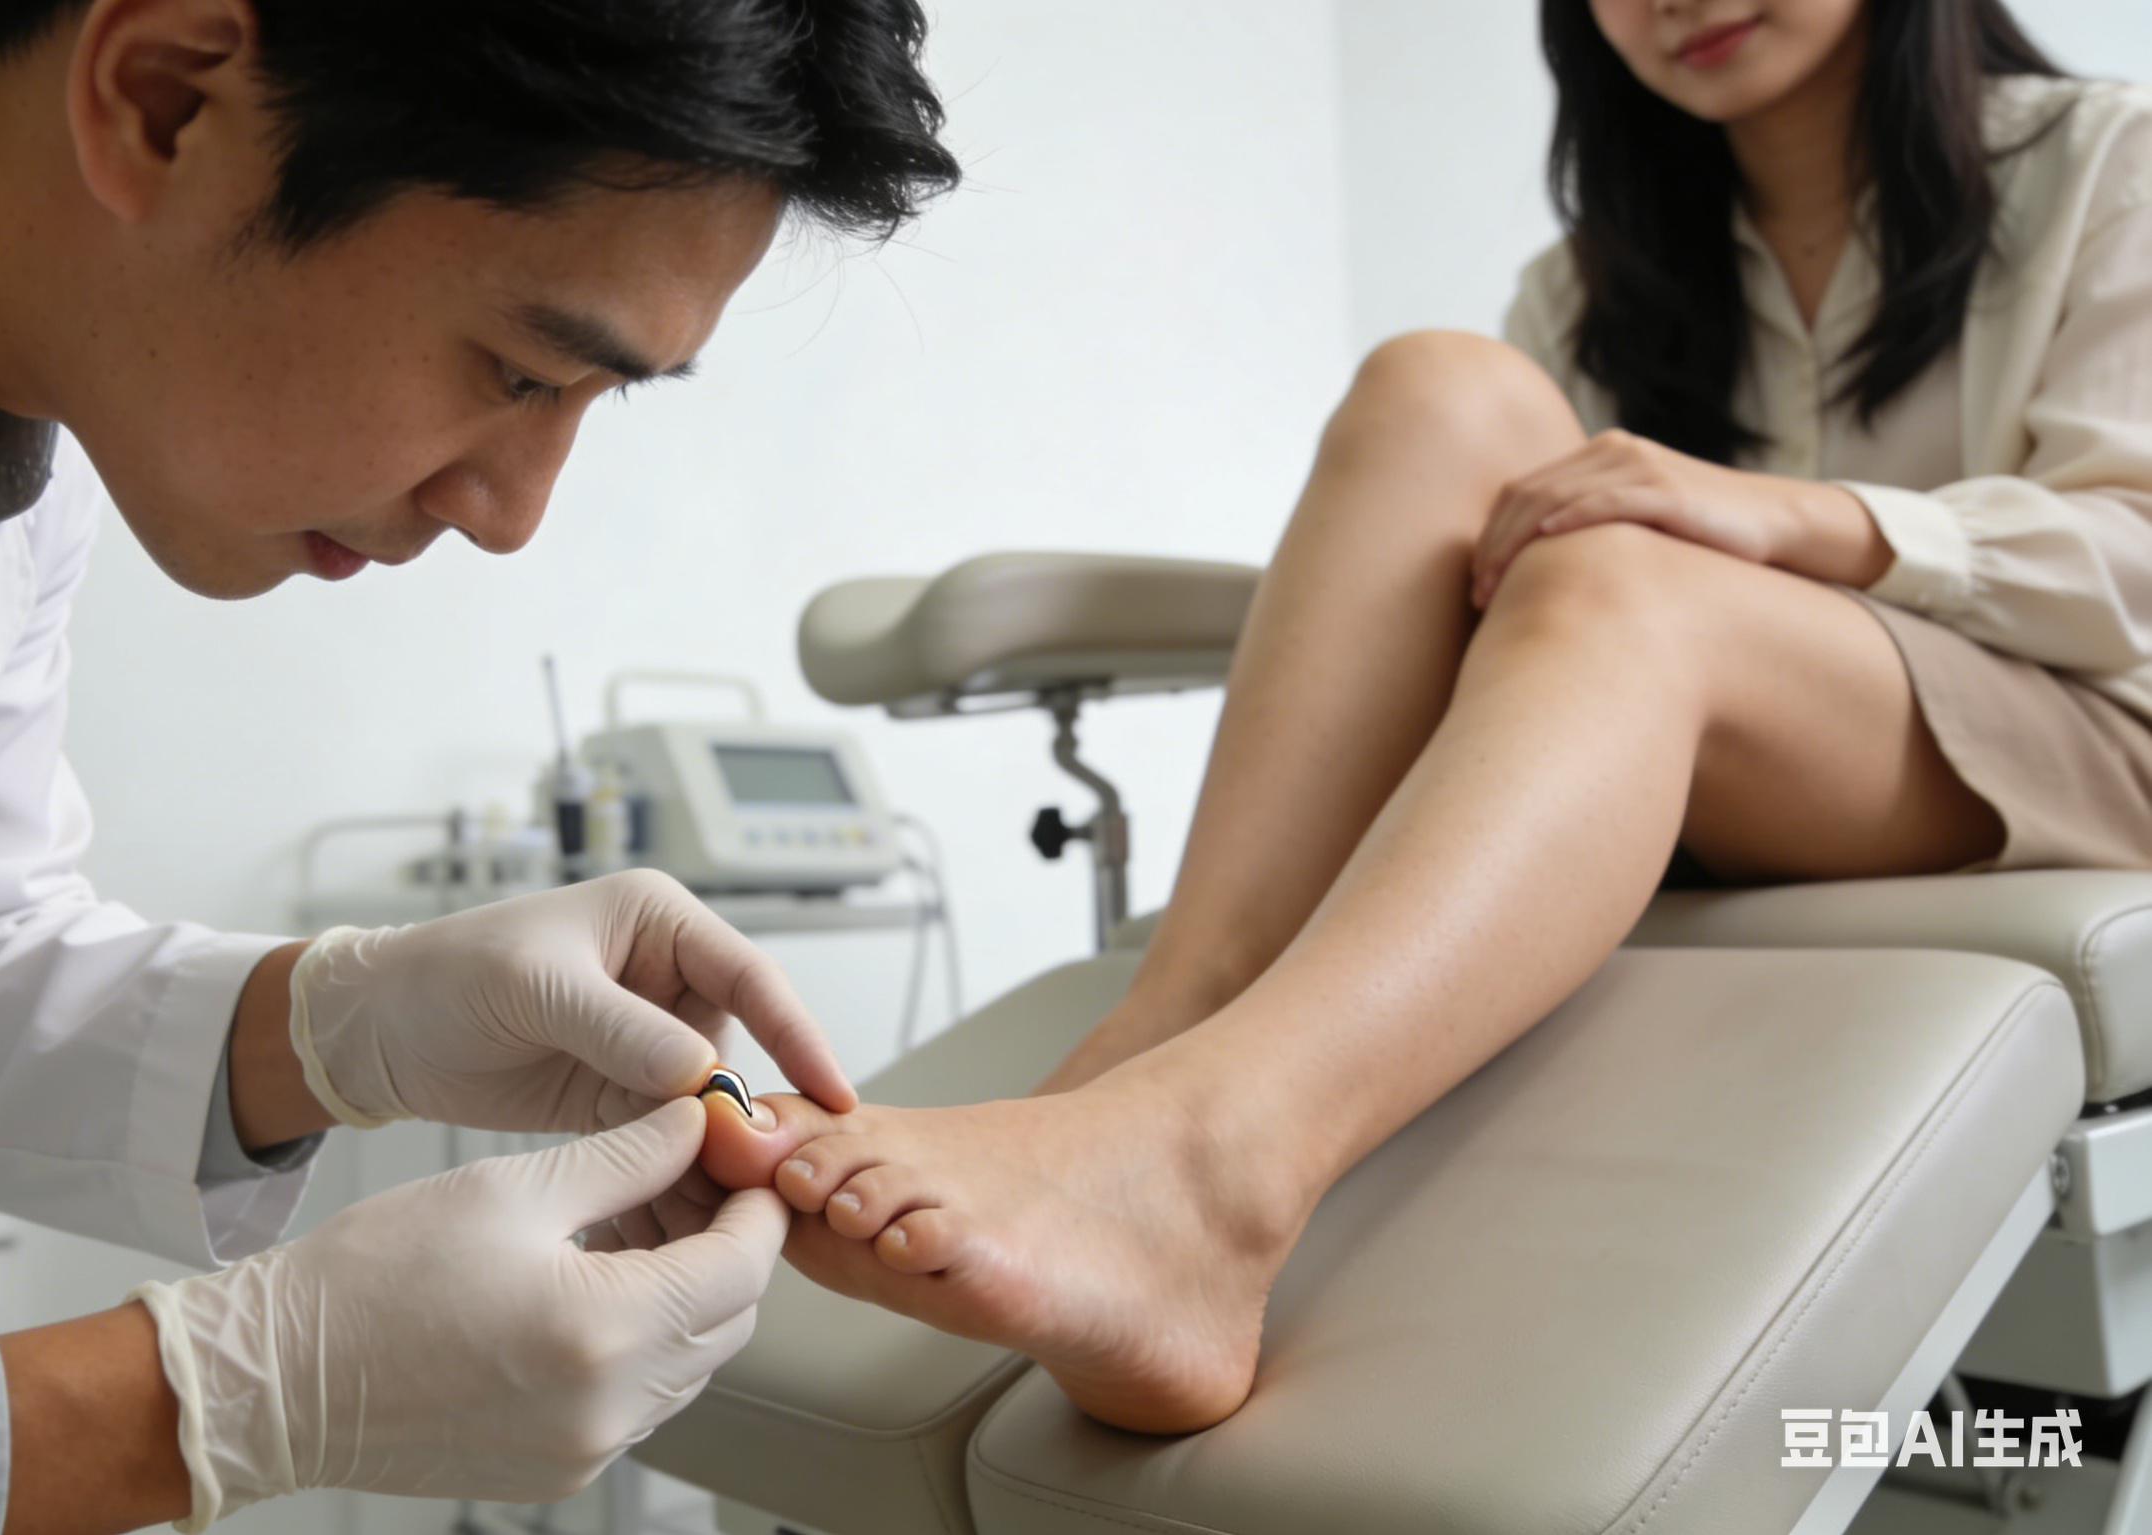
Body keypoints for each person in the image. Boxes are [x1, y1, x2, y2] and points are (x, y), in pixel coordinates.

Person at [0, 0, 956, 1529]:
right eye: (516, 371)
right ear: (163, 94)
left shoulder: (3, 383)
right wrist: (220, 1397)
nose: (510, 512)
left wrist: (349, 1022)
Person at [695, 0, 2152, 1438]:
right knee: (1438, 384)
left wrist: (1796, 521)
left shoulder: (2109, 161)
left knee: (1627, 579)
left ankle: (1215, 1177)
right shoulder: (1595, 283)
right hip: (1732, 772)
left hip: (2078, 744)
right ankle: (1152, 1052)